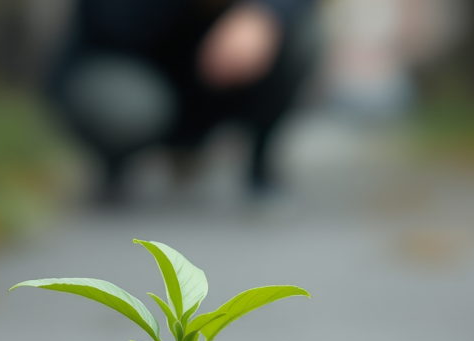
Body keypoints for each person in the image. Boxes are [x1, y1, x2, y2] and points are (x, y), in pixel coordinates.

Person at [50, 0, 319, 197]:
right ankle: (116, 162)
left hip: (216, 79)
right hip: (128, 64)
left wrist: (265, 13)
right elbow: (109, 22)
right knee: (127, 110)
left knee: (301, 35)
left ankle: (258, 160)